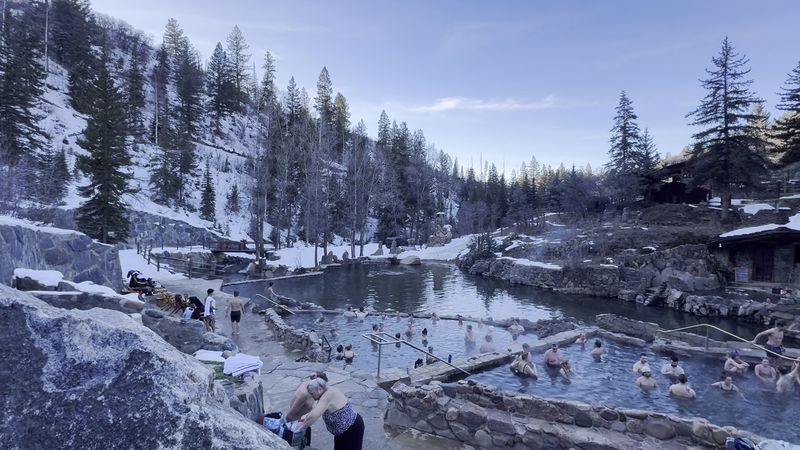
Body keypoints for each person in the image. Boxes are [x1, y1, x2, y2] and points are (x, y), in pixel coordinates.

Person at [299, 378, 364, 450]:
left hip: (352, 428)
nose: (311, 396)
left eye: (312, 393)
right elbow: (315, 409)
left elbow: (314, 416)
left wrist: (299, 428)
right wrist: (305, 416)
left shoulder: (328, 395)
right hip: (341, 431)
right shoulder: (324, 393)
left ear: (319, 389)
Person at [279, 372, 329, 448]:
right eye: (320, 388)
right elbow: (289, 415)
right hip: (296, 428)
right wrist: (296, 428)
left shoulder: (310, 386)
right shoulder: (304, 394)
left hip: (304, 424)